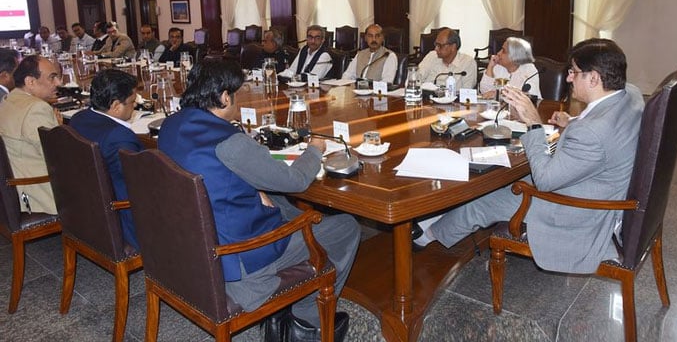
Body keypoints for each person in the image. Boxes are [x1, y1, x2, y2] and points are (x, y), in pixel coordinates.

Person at [158, 60, 359, 342]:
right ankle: (307, 322)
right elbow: (296, 181)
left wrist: (253, 189)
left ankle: (291, 304)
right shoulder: (229, 143)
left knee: (279, 200)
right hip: (238, 261)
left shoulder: (171, 124)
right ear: (225, 96)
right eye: (237, 94)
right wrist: (315, 150)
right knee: (346, 227)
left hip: (193, 244)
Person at [414, 38, 644, 274]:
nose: (568, 78)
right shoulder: (630, 95)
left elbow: (544, 180)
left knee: (482, 200)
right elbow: (602, 129)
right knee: (497, 181)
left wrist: (534, 123)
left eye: (574, 72)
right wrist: (573, 121)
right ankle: (431, 223)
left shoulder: (592, 133)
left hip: (577, 211)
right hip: (594, 185)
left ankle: (426, 237)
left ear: (594, 78)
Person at [69, 69, 142, 251]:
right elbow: (138, 183)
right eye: (132, 102)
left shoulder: (78, 118)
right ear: (116, 106)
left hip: (85, 209)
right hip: (121, 220)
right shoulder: (119, 136)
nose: (135, 107)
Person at [0, 55, 62, 215]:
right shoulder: (36, 109)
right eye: (52, 78)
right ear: (30, 82)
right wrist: (61, 131)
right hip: (37, 193)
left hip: (10, 189)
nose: (58, 83)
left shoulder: (9, 98)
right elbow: (59, 158)